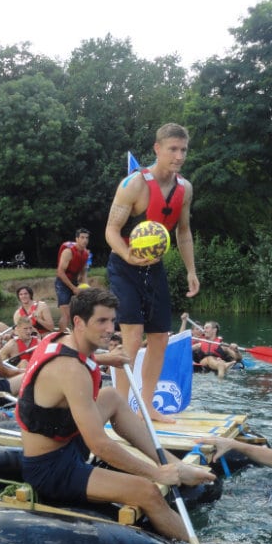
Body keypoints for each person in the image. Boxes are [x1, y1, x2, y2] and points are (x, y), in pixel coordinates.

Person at [15, 287, 217, 541]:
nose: (110, 328)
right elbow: (99, 445)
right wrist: (155, 476)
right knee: (146, 491)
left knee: (111, 396)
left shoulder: (60, 339)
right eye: (101, 321)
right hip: (51, 469)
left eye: (112, 320)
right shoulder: (71, 371)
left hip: (64, 442)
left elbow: (74, 358)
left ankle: (172, 464)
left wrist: (105, 358)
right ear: (79, 322)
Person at [105, 123, 199, 423]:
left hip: (154, 267)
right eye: (173, 149)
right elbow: (111, 231)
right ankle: (119, 407)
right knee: (132, 337)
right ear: (157, 149)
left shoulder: (185, 188)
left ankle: (146, 406)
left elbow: (183, 233)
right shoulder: (133, 185)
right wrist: (127, 255)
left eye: (183, 150)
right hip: (124, 266)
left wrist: (191, 271)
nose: (179, 156)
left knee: (160, 337)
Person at [179, 313, 242, 377]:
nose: (204, 330)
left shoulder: (222, 345)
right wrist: (184, 321)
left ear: (214, 330)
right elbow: (182, 344)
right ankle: (221, 366)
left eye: (206, 328)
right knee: (209, 358)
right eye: (204, 328)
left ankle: (221, 366)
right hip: (203, 363)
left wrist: (236, 350)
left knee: (219, 360)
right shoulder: (199, 343)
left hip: (218, 361)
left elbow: (238, 358)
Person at [55, 228, 90, 330]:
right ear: (77, 239)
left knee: (80, 312)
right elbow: (60, 272)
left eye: (87, 238)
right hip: (62, 283)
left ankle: (79, 334)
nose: (85, 240)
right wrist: (73, 288)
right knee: (66, 315)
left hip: (74, 282)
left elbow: (83, 273)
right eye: (82, 237)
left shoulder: (86, 254)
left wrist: (86, 287)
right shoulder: (68, 252)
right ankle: (60, 337)